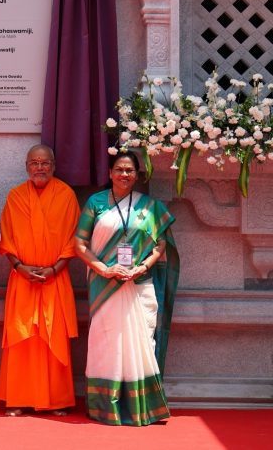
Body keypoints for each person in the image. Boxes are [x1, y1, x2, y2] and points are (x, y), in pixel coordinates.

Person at [75, 150, 180, 427]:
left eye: (130, 171)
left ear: (137, 175)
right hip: (104, 284)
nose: (124, 174)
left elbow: (160, 245)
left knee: (142, 342)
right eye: (119, 169)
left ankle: (142, 407)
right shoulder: (95, 203)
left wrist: (142, 268)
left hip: (138, 284)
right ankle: (105, 407)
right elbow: (79, 245)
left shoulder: (149, 207)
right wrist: (104, 269)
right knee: (106, 343)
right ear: (110, 173)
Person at [0, 144, 80, 416]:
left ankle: (56, 400)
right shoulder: (15, 196)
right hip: (22, 279)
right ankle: (19, 398)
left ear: (54, 166)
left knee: (52, 338)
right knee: (23, 339)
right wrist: (20, 267)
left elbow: (74, 240)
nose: (40, 168)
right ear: (26, 166)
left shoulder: (66, 196)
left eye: (45, 163)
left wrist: (54, 268)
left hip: (55, 279)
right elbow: (6, 239)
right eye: (35, 163)